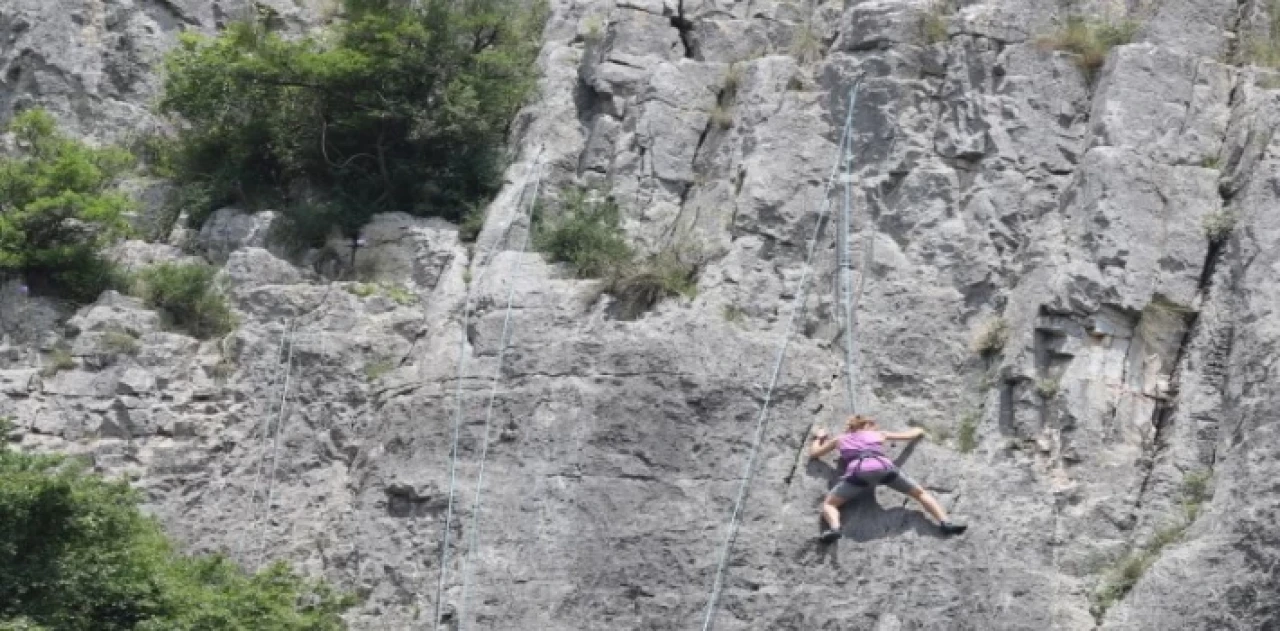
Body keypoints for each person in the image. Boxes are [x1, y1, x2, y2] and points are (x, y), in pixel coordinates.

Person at [809, 415, 967, 543]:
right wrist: (919, 429)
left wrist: (819, 438)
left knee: (829, 504)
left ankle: (835, 528)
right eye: (873, 425)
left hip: (859, 474)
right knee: (920, 494)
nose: (875, 428)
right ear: (866, 425)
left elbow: (815, 453)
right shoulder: (879, 434)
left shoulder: (840, 439)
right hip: (883, 468)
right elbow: (909, 435)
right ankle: (946, 522)